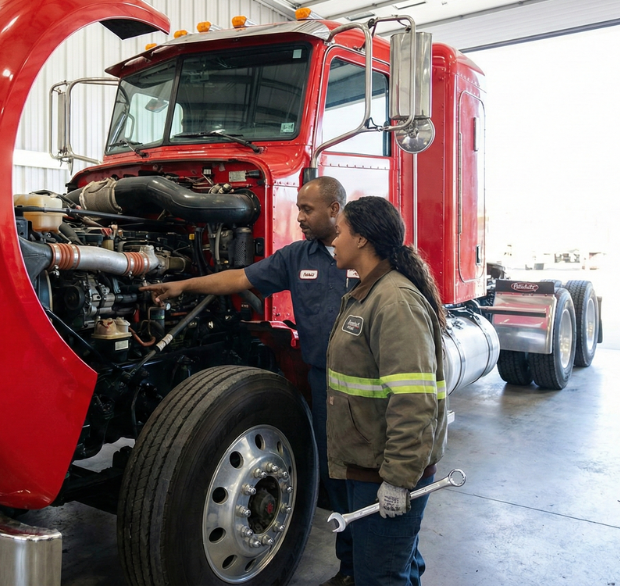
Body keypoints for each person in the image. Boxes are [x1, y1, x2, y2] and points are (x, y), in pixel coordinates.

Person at [141, 177, 358, 586]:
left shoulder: (365, 255)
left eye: (308, 210)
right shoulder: (298, 257)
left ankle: (388, 569)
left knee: (368, 479)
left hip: (364, 389)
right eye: (297, 209)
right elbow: (239, 278)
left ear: (334, 209)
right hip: (323, 381)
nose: (300, 218)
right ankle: (351, 568)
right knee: (336, 478)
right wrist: (183, 285)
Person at [326, 196, 447, 586]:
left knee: (381, 577)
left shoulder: (394, 301)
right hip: (368, 466)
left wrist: (398, 479)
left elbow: (414, 401)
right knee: (397, 565)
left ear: (361, 239)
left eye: (340, 231)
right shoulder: (368, 292)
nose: (334, 240)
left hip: (386, 472)